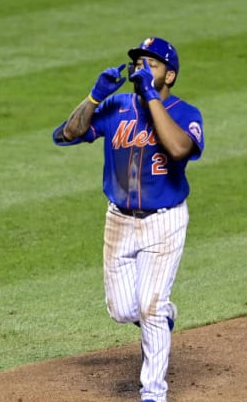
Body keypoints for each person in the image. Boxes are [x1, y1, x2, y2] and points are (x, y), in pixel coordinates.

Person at [51, 37, 204, 402]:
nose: (142, 69)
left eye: (151, 64)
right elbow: (68, 133)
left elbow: (179, 148)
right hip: (119, 220)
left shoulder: (186, 113)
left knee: (150, 305)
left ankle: (153, 393)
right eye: (139, 63)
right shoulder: (117, 106)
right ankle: (162, 318)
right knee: (123, 310)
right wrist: (93, 97)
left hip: (164, 222)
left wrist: (151, 97)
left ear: (171, 76)